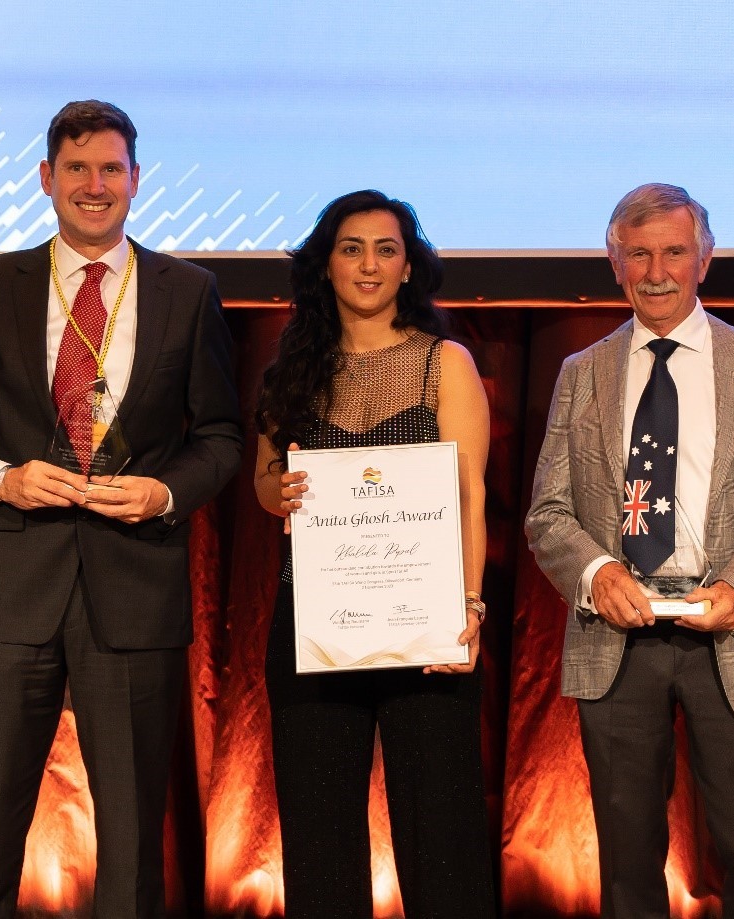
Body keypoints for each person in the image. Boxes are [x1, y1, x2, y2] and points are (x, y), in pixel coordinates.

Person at [0, 100, 242, 919]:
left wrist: (165, 491)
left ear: (135, 179)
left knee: (131, 838)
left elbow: (224, 436)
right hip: (11, 590)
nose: (96, 185)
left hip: (134, 592)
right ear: (46, 178)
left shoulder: (188, 291)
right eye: (78, 168)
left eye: (112, 169)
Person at [524, 183, 734, 919]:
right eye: (638, 253)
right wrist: (596, 573)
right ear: (614, 263)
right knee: (627, 862)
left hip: (732, 629)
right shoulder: (580, 373)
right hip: (616, 634)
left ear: (704, 259)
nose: (656, 270)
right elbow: (548, 513)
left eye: (673, 251)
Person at [252, 190, 495, 918]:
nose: (368, 263)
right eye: (350, 247)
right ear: (324, 265)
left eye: (385, 248)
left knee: (442, 835)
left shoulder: (442, 362)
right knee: (318, 837)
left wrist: (470, 607)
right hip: (316, 621)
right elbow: (266, 483)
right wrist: (280, 492)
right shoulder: (290, 368)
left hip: (426, 625)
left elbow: (470, 497)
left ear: (408, 266)